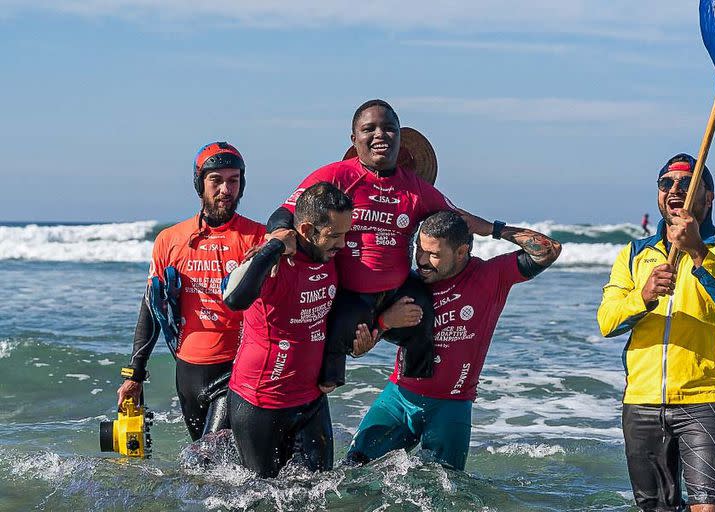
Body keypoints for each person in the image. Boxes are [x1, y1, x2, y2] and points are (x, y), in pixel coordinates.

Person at [267, 99, 499, 388]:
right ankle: (319, 395)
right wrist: (277, 236)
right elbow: (287, 211)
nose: (380, 135)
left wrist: (501, 231)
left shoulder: (415, 187)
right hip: (352, 293)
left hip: (400, 289)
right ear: (355, 139)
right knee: (336, 343)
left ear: (400, 138)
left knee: (427, 315)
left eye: (389, 129)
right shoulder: (336, 176)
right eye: (369, 129)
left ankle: (415, 392)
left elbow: (460, 219)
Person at [597, 153, 715, 512]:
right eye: (666, 184)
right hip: (641, 402)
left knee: (710, 507)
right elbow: (607, 320)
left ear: (709, 197)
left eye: (687, 184)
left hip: (709, 398)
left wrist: (697, 252)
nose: (674, 190)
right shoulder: (634, 254)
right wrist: (642, 296)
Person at [346, 210, 561, 470]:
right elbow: (358, 348)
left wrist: (492, 229)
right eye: (419, 250)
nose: (422, 261)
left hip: (451, 405)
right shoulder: (406, 281)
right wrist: (385, 322)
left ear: (461, 253)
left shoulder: (490, 277)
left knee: (444, 487)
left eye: (434, 255)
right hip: (399, 397)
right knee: (352, 470)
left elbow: (549, 249)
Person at [116, 142, 266, 441]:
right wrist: (134, 374)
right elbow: (151, 308)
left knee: (208, 459)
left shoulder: (258, 238)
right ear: (200, 184)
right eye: (216, 180)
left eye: (233, 180)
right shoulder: (170, 240)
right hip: (188, 372)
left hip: (237, 369)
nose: (226, 189)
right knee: (209, 462)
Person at [223, 182, 354, 478]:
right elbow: (234, 298)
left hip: (311, 400)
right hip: (261, 401)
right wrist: (274, 246)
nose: (343, 244)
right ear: (306, 230)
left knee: (319, 492)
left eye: (346, 234)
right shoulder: (275, 263)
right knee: (261, 497)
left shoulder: (328, 255)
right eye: (335, 235)